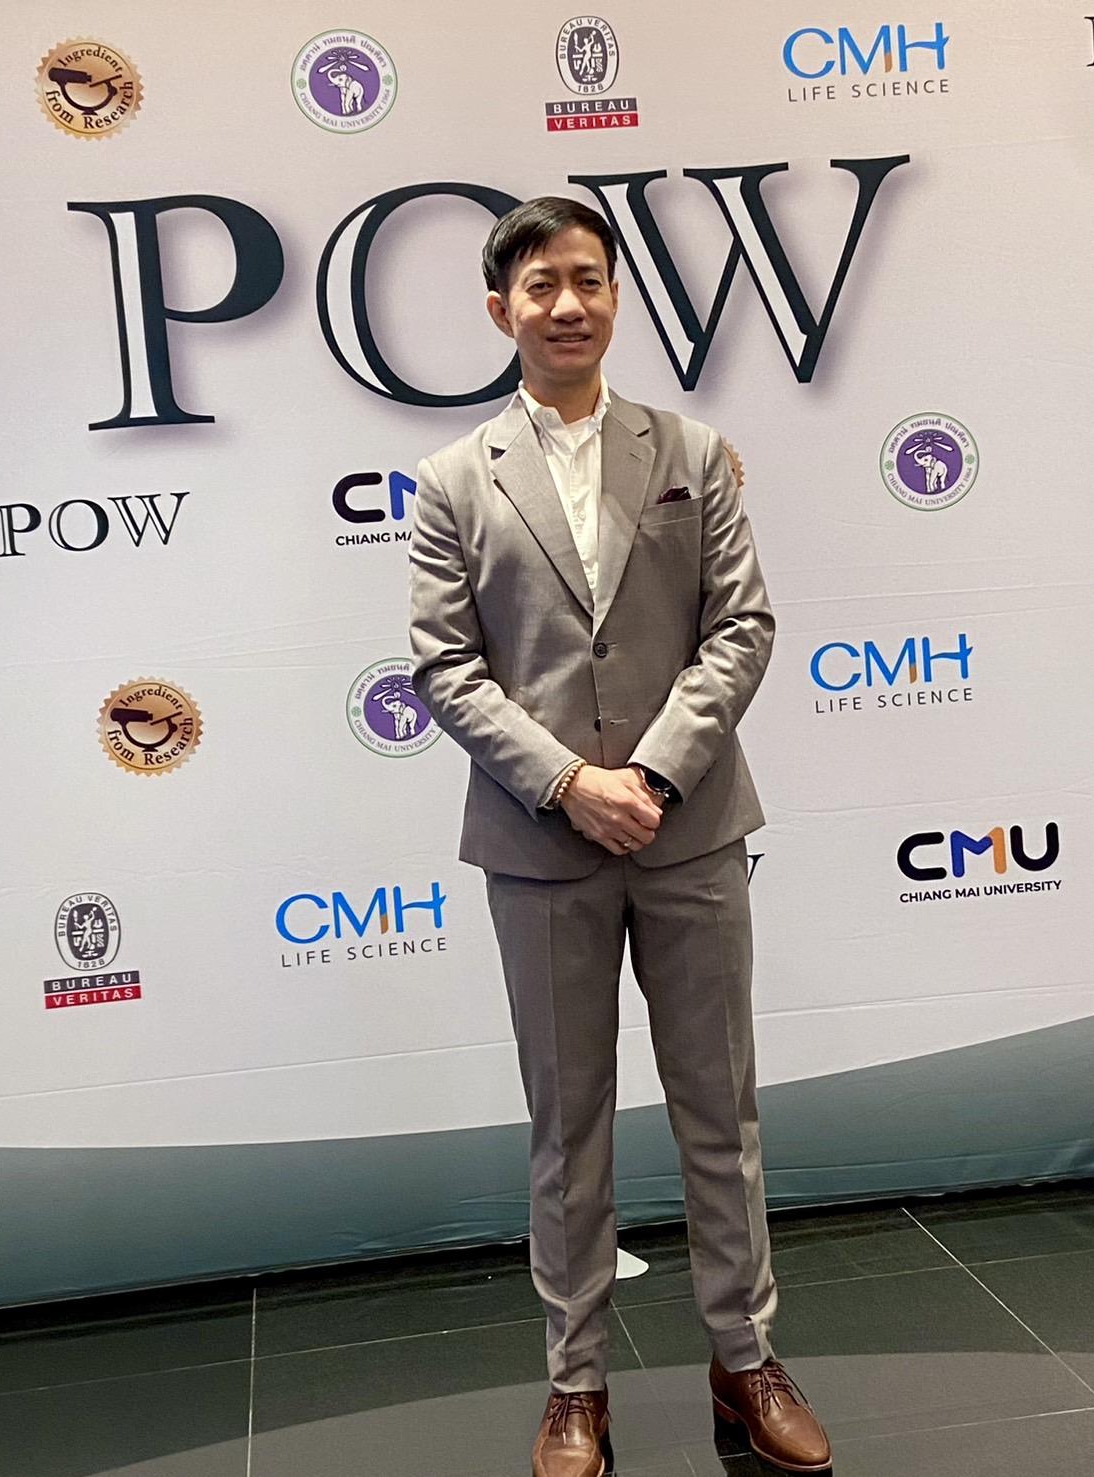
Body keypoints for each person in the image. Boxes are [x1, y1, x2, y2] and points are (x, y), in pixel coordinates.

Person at [409, 197, 831, 1477]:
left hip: (689, 833)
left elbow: (742, 627)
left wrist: (646, 773)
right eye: (542, 285)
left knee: (720, 1110)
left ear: (614, 297)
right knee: (567, 1127)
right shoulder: (453, 481)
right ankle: (575, 1385)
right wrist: (568, 784)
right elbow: (444, 666)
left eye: (588, 279)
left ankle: (743, 1359)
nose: (568, 304)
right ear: (502, 309)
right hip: (542, 850)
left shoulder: (690, 452)